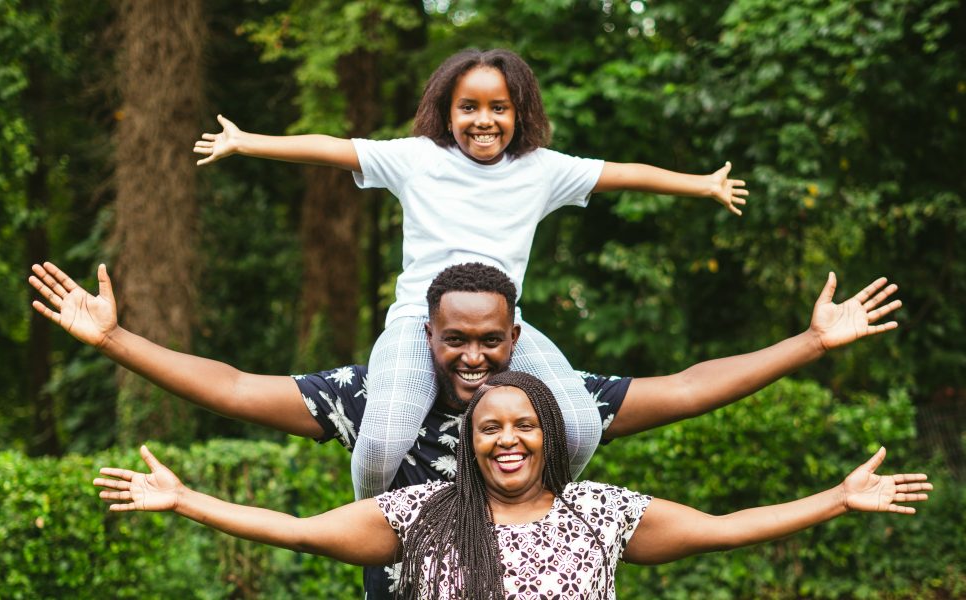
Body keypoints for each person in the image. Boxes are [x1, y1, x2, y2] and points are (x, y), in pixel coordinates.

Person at [29, 259, 901, 597]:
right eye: (456, 340)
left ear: (515, 339)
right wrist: (113, 341)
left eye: (491, 340)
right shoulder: (375, 407)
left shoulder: (567, 439)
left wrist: (811, 345)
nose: (474, 356)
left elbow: (689, 388)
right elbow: (231, 389)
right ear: (428, 336)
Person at [192, 48, 751, 501]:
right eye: (469, 107)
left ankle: (528, 518)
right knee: (384, 438)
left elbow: (622, 174)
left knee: (579, 425)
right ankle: (371, 525)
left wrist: (701, 183)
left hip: (505, 329)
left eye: (498, 107)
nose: (484, 120)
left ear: (519, 113)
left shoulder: (541, 170)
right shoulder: (417, 158)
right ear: (447, 112)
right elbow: (334, 149)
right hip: (420, 323)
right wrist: (247, 142)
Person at [94, 371, 930, 600]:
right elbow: (299, 529)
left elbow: (725, 527)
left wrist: (836, 499)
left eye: (524, 425)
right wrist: (186, 499)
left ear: (549, 436)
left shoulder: (603, 513)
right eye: (489, 427)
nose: (507, 439)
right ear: (469, 443)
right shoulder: (422, 513)